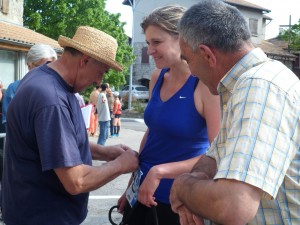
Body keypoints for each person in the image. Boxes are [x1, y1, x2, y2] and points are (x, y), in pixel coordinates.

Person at [169, 1, 300, 225]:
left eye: (188, 60)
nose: (191, 72)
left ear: (207, 55)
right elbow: (215, 155)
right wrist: (197, 179)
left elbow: (234, 205)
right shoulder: (244, 85)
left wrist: (182, 187)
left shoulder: (260, 86)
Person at [2, 26, 139, 225]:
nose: (98, 81)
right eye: (101, 72)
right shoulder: (52, 100)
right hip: (43, 217)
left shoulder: (42, 77)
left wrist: (105, 152)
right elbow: (77, 181)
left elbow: (57, 144)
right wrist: (120, 164)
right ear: (84, 60)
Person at [117, 5, 220, 225]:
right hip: (142, 193)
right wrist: (130, 188)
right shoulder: (157, 76)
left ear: (182, 39)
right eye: (148, 43)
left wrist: (160, 172)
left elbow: (218, 154)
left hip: (178, 202)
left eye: (156, 42)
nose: (150, 51)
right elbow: (152, 135)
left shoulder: (204, 85)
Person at [1, 43, 58, 128]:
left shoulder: (57, 88)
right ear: (29, 65)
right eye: (43, 67)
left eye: (51, 67)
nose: (48, 72)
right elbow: (8, 123)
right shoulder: (15, 89)